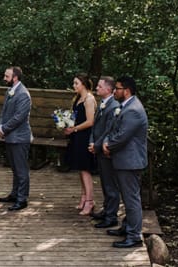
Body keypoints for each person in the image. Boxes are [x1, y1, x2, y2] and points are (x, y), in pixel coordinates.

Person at [102, 76, 148, 249]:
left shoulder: (133, 110)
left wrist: (108, 146)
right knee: (127, 197)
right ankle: (127, 227)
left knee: (131, 199)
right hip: (124, 159)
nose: (115, 91)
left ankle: (134, 236)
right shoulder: (125, 106)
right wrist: (107, 141)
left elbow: (123, 136)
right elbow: (114, 129)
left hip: (130, 162)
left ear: (126, 91)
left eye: (118, 88)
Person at [88, 75, 121, 229]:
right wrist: (92, 141)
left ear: (108, 89)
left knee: (110, 184)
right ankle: (106, 210)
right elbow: (95, 126)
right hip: (98, 147)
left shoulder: (114, 106)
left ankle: (111, 216)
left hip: (107, 151)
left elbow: (109, 130)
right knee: (104, 182)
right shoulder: (102, 103)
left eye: (99, 86)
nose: (96, 88)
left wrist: (97, 145)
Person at [0, 66, 32, 211]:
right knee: (14, 168)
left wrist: (4, 128)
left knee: (21, 170)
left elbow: (19, 117)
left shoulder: (23, 94)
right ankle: (14, 194)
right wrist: (0, 125)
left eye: (7, 76)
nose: (4, 78)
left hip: (19, 138)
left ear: (15, 77)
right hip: (10, 136)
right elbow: (4, 111)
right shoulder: (10, 91)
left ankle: (22, 199)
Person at [63, 73, 98, 215]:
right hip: (77, 137)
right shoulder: (78, 98)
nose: (74, 86)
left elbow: (90, 121)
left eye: (76, 83)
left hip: (85, 137)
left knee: (85, 169)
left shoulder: (89, 99)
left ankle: (90, 201)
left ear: (83, 84)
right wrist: (66, 124)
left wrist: (75, 129)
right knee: (80, 169)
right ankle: (83, 197)